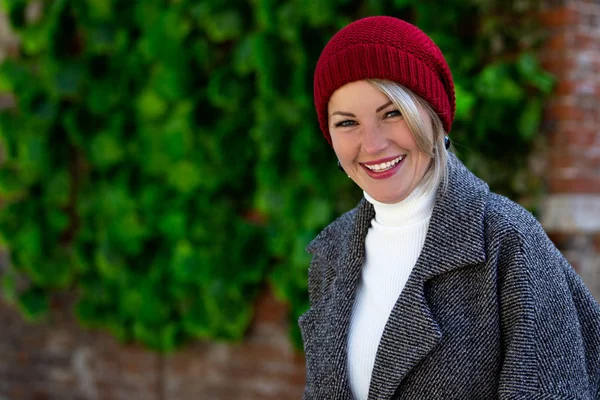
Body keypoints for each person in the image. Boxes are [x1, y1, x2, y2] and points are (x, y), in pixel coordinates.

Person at [299, 16, 600, 400]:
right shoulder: (333, 253)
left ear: (433, 115)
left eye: (392, 113)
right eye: (347, 123)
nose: (371, 145)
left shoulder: (507, 241)